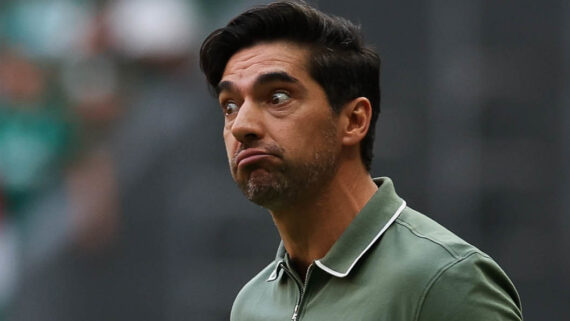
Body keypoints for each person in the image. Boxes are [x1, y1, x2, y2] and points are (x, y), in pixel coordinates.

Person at [199, 1, 523, 320]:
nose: (241, 125)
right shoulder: (252, 304)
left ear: (354, 121)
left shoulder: (446, 282)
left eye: (278, 97)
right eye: (230, 106)